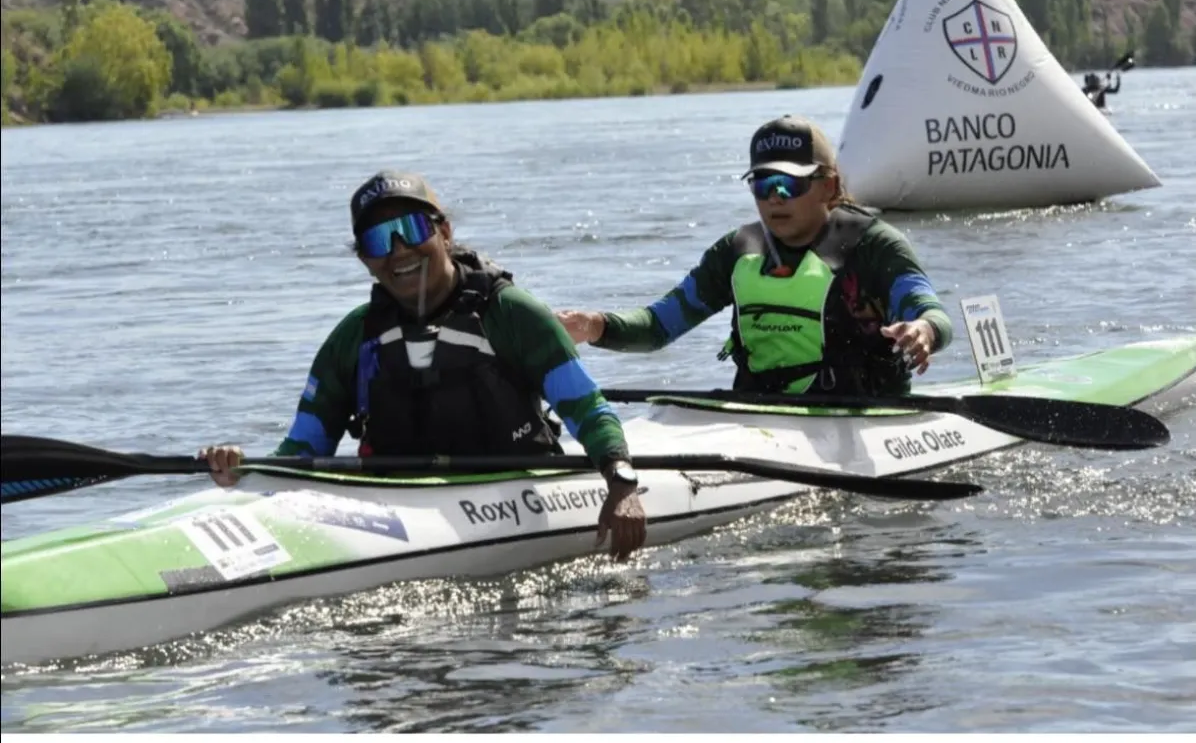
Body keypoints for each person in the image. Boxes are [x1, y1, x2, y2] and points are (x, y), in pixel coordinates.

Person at [200, 171, 646, 561]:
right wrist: (241, 468)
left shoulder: (513, 315)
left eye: (411, 228)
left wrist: (622, 486)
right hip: (393, 503)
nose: (398, 250)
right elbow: (300, 451)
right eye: (378, 239)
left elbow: (591, 411)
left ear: (444, 232)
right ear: (364, 259)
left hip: (514, 491)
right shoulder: (352, 339)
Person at [557, 116, 954, 396]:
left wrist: (923, 331)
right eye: (762, 184)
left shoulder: (874, 246)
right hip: (760, 414)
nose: (773, 199)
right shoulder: (737, 252)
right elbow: (659, 326)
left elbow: (931, 311)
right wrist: (594, 326)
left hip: (863, 414)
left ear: (829, 186)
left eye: (788, 184)